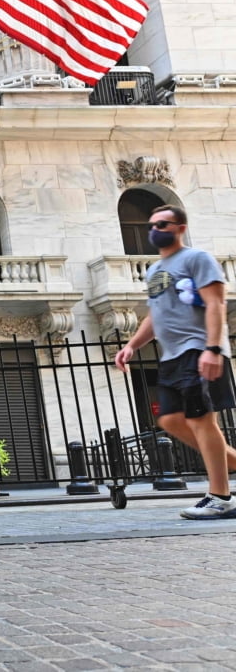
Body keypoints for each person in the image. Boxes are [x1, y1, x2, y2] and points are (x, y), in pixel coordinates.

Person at [115, 204, 236, 519]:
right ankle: (227, 468)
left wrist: (212, 347)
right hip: (170, 356)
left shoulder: (197, 259)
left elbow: (216, 302)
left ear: (180, 228)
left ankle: (220, 497)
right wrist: (131, 346)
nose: (156, 229)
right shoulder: (154, 271)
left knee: (200, 419)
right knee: (169, 420)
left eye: (163, 224)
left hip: (198, 348)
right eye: (152, 224)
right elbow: (155, 315)